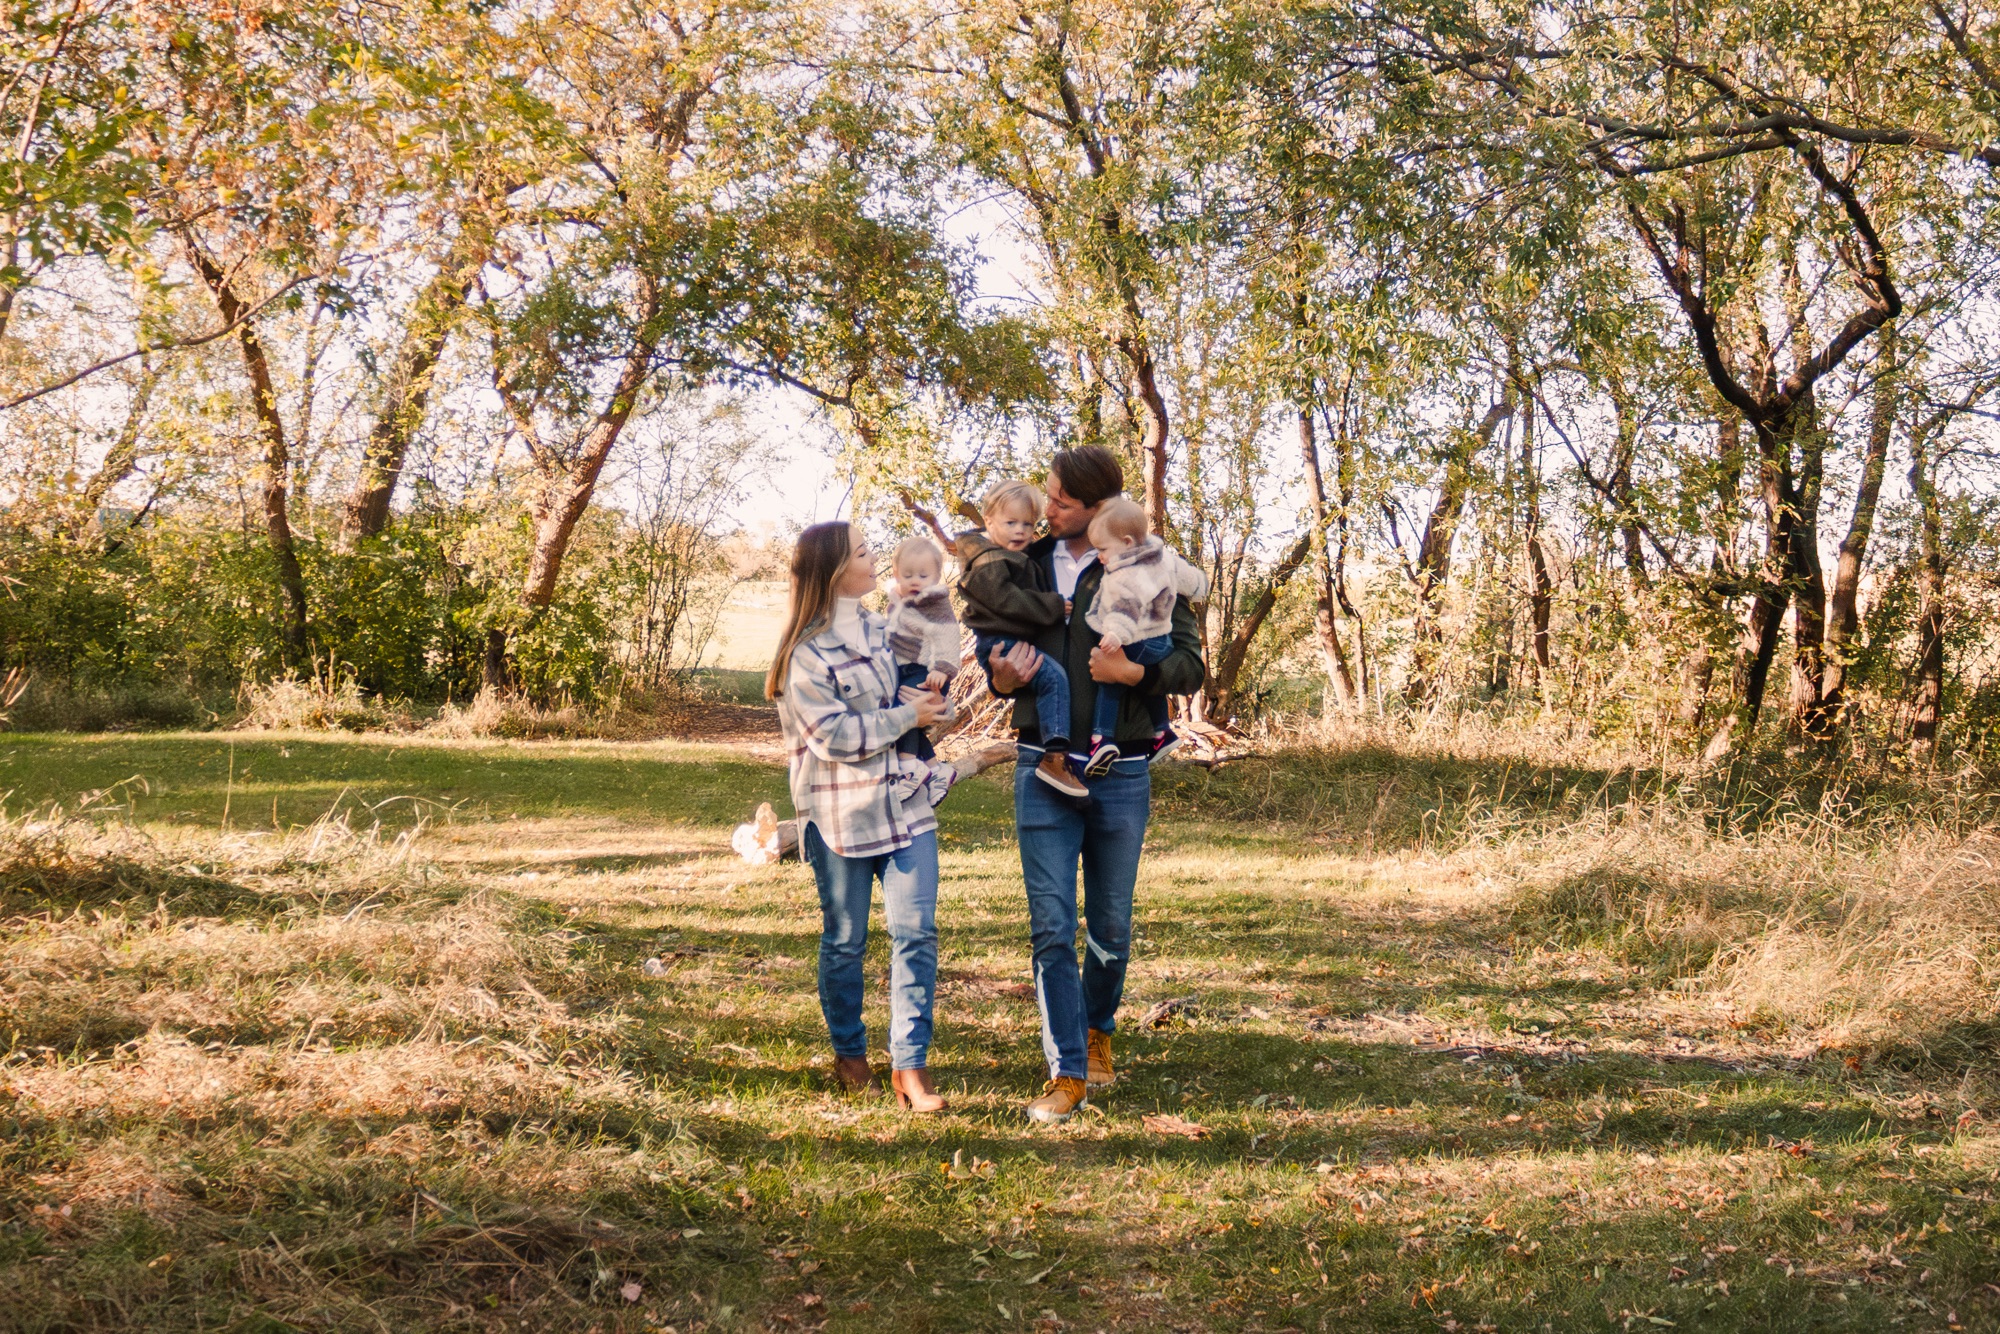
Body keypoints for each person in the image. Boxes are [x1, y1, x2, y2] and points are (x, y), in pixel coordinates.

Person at [983, 447, 1205, 1123]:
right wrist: (1001, 678)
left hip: (1122, 769)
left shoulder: (1145, 559)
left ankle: (1097, 1028)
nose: (1046, 509)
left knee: (1110, 926)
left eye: (1061, 501)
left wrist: (1132, 675)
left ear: (1097, 507)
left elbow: (1189, 665)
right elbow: (992, 641)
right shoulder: (1023, 562)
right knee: (1051, 926)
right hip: (1042, 768)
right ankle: (1067, 1070)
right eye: (1048, 497)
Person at [766, 521, 953, 1113]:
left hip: (905, 805)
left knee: (916, 934)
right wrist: (906, 719)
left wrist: (935, 704)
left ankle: (911, 1066)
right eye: (864, 552)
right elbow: (834, 737)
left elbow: (926, 695)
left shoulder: (888, 628)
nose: (877, 559)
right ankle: (850, 1055)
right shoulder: (805, 654)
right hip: (840, 814)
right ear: (833, 570)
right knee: (846, 941)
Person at [955, 479, 1089, 798]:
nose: (1020, 531)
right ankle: (1055, 757)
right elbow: (1005, 600)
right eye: (1011, 523)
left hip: (1011, 639)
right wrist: (1052, 605)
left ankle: (1057, 753)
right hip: (1001, 641)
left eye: (1028, 524)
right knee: (1052, 679)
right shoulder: (987, 561)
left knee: (1050, 679)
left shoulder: (1011, 554)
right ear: (989, 522)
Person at [1080, 497, 1209, 776]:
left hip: (1136, 639)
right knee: (1148, 683)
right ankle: (1162, 732)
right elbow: (1189, 579)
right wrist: (1201, 586)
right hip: (1161, 642)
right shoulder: (1163, 558)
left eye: (1103, 549)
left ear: (1126, 543)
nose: (1100, 556)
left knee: (1110, 680)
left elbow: (1124, 609)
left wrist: (1115, 634)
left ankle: (1102, 738)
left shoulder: (1127, 574)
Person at [884, 536, 961, 790]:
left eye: (923, 575)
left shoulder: (934, 603)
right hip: (907, 669)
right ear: (896, 574)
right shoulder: (898, 601)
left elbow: (949, 635)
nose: (915, 581)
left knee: (906, 713)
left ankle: (908, 768)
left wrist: (943, 668)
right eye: (908, 575)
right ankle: (934, 769)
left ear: (937, 577)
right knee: (913, 723)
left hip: (928, 671)